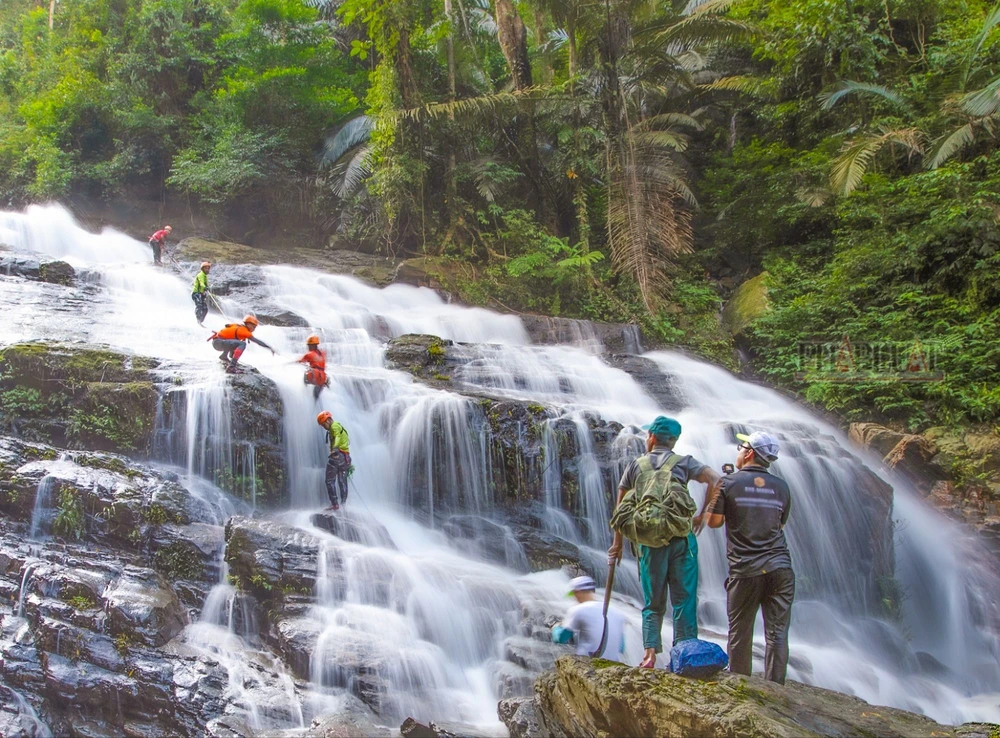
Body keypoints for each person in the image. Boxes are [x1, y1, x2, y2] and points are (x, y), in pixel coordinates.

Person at [608, 416, 723, 669]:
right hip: (681, 540)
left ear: (651, 438)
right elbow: (716, 480)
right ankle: (684, 653)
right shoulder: (685, 463)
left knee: (653, 602)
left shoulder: (635, 466)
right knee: (684, 599)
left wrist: (617, 545)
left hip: (649, 544)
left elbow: (621, 508)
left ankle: (649, 655)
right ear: (674, 441)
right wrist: (704, 513)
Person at [707, 431, 794, 684]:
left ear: (749, 453)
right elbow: (780, 526)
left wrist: (719, 492)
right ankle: (775, 688)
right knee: (777, 634)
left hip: (745, 570)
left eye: (741, 446)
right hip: (781, 568)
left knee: (740, 632)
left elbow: (713, 522)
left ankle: (740, 685)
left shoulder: (728, 482)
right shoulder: (782, 486)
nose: (738, 451)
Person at [552, 575, 627, 662]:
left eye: (574, 594)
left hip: (589, 665)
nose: (574, 597)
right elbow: (621, 647)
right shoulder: (617, 612)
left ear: (578, 592)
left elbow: (561, 638)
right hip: (613, 664)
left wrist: (555, 628)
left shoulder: (578, 610)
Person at [208, 315, 275, 373]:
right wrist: (269, 347)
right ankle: (231, 367)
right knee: (242, 344)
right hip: (219, 342)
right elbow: (257, 341)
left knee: (236, 342)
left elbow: (227, 326)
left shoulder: (238, 326)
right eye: (253, 327)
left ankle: (224, 357)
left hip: (218, 342)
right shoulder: (244, 331)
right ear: (248, 324)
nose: (254, 329)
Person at [317, 410, 351, 511]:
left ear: (327, 421)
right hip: (346, 457)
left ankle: (335, 504)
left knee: (329, 480)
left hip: (337, 456)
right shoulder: (338, 426)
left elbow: (337, 437)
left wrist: (334, 449)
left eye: (323, 425)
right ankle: (344, 504)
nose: (324, 427)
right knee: (342, 480)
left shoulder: (334, 426)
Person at [298, 335, 328, 400]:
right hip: (323, 378)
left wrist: (296, 361)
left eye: (309, 345)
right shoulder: (322, 353)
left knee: (306, 375)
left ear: (313, 345)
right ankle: (315, 403)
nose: (308, 347)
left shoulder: (309, 354)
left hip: (314, 375)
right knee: (316, 396)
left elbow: (301, 361)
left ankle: (304, 393)